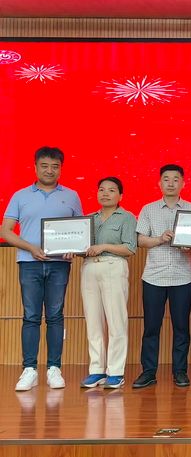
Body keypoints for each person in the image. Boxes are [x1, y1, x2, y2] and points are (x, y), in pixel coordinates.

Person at [2, 146, 83, 392]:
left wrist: (73, 247)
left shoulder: (71, 196)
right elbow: (5, 231)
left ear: (61, 169)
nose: (50, 170)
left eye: (55, 166)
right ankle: (29, 370)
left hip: (59, 264)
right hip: (29, 263)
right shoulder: (20, 195)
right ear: (35, 167)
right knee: (31, 316)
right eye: (45, 165)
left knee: (56, 315)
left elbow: (80, 231)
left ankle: (54, 369)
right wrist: (30, 248)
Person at [132, 164, 191, 389]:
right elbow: (140, 240)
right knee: (151, 327)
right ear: (159, 183)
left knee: (181, 327)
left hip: (182, 276)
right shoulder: (148, 209)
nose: (171, 183)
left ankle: (180, 371)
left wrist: (188, 244)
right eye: (166, 179)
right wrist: (160, 239)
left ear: (183, 183)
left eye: (175, 179)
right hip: (154, 276)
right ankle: (148, 371)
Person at [80, 177, 137, 390]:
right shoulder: (88, 219)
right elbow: (80, 246)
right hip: (89, 268)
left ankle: (116, 372)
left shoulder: (127, 217)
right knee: (93, 321)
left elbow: (130, 248)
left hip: (113, 266)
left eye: (111, 190)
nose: (105, 193)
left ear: (120, 195)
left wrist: (103, 246)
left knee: (116, 321)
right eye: (101, 189)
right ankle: (96, 369)